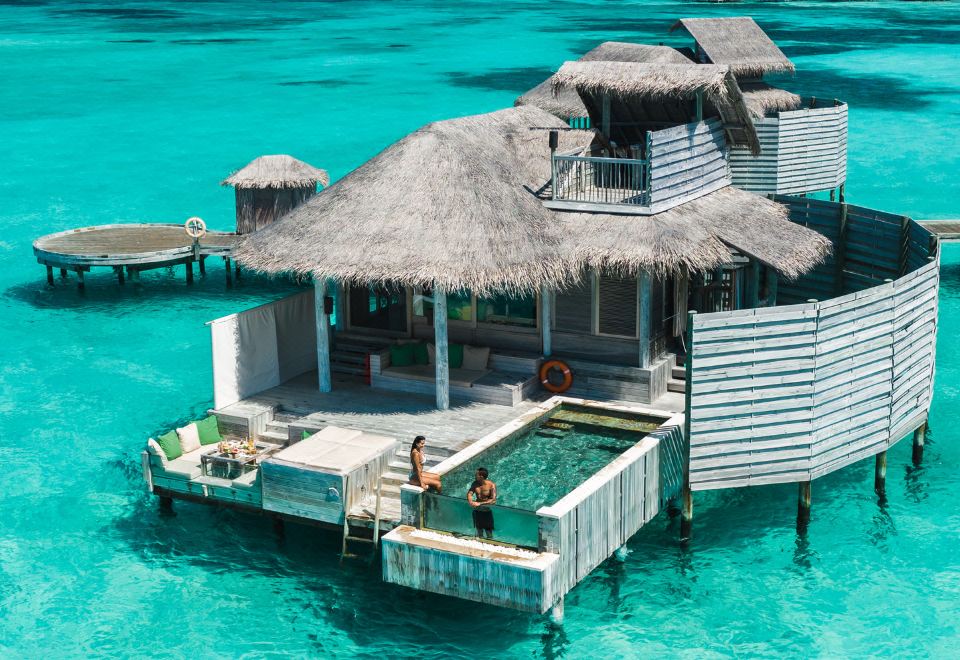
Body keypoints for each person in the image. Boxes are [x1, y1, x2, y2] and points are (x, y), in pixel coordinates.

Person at [467, 467, 496, 539]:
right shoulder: (475, 484)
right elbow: (470, 493)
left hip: (486, 511)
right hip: (477, 511)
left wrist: (480, 503)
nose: (474, 476)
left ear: (481, 477)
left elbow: (493, 500)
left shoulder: (491, 485)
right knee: (479, 530)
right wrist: (470, 501)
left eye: (476, 474)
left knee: (488, 532)